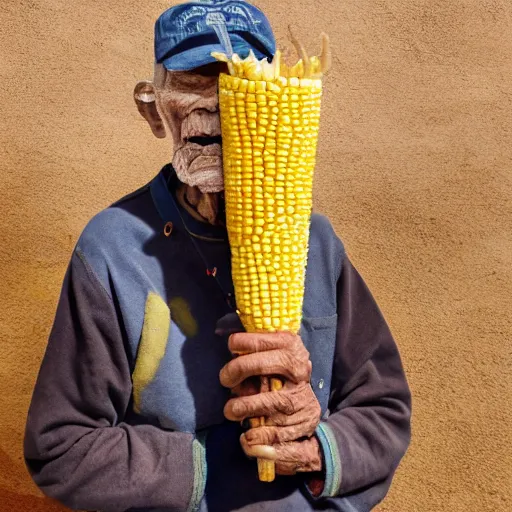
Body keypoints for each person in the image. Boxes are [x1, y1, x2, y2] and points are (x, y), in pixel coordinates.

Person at [23, 1, 411, 511]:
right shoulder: (111, 249)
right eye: (191, 83)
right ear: (152, 108)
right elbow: (61, 447)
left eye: (235, 84)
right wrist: (216, 467)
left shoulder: (316, 241)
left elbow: (384, 409)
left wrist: (314, 449)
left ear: (274, 104)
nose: (213, 106)